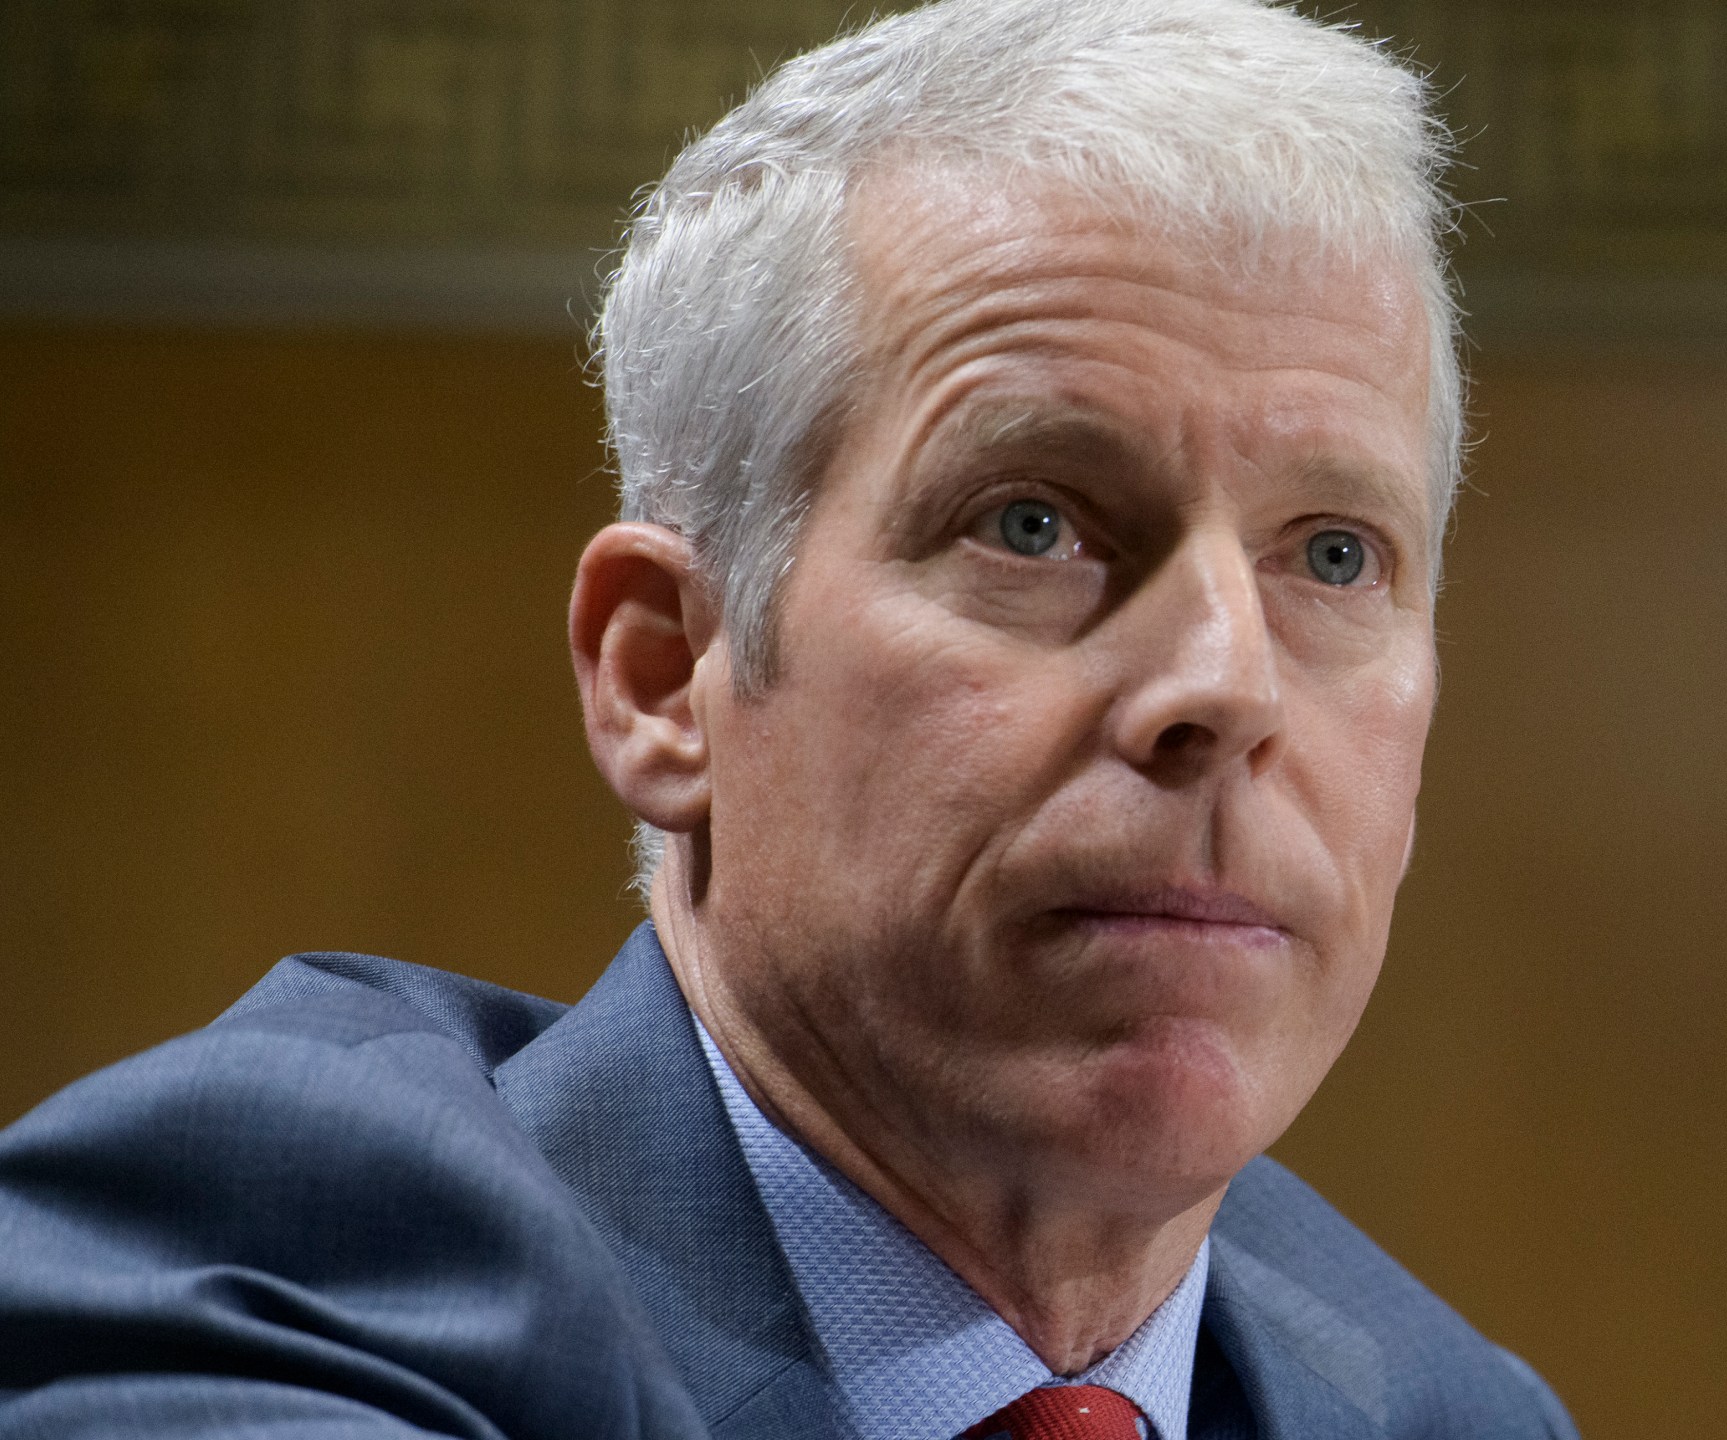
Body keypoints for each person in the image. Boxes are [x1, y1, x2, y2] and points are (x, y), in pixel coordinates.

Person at [0, 2, 1576, 1436]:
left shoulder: (1445, 1408)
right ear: (666, 674)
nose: (1226, 688)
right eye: (1033, 524)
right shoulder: (284, 1271)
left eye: (1335, 555)